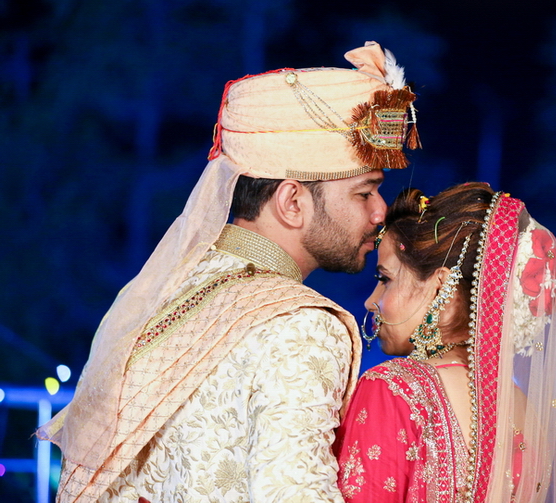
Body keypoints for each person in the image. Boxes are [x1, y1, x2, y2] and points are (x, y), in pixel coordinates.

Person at [36, 41, 421, 503]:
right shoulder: (301, 326)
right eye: (364, 193)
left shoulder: (170, 289)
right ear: (292, 202)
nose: (380, 212)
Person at [334, 183, 556, 503]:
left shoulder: (394, 387)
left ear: (442, 287)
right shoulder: (525, 411)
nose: (372, 301)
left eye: (386, 279)